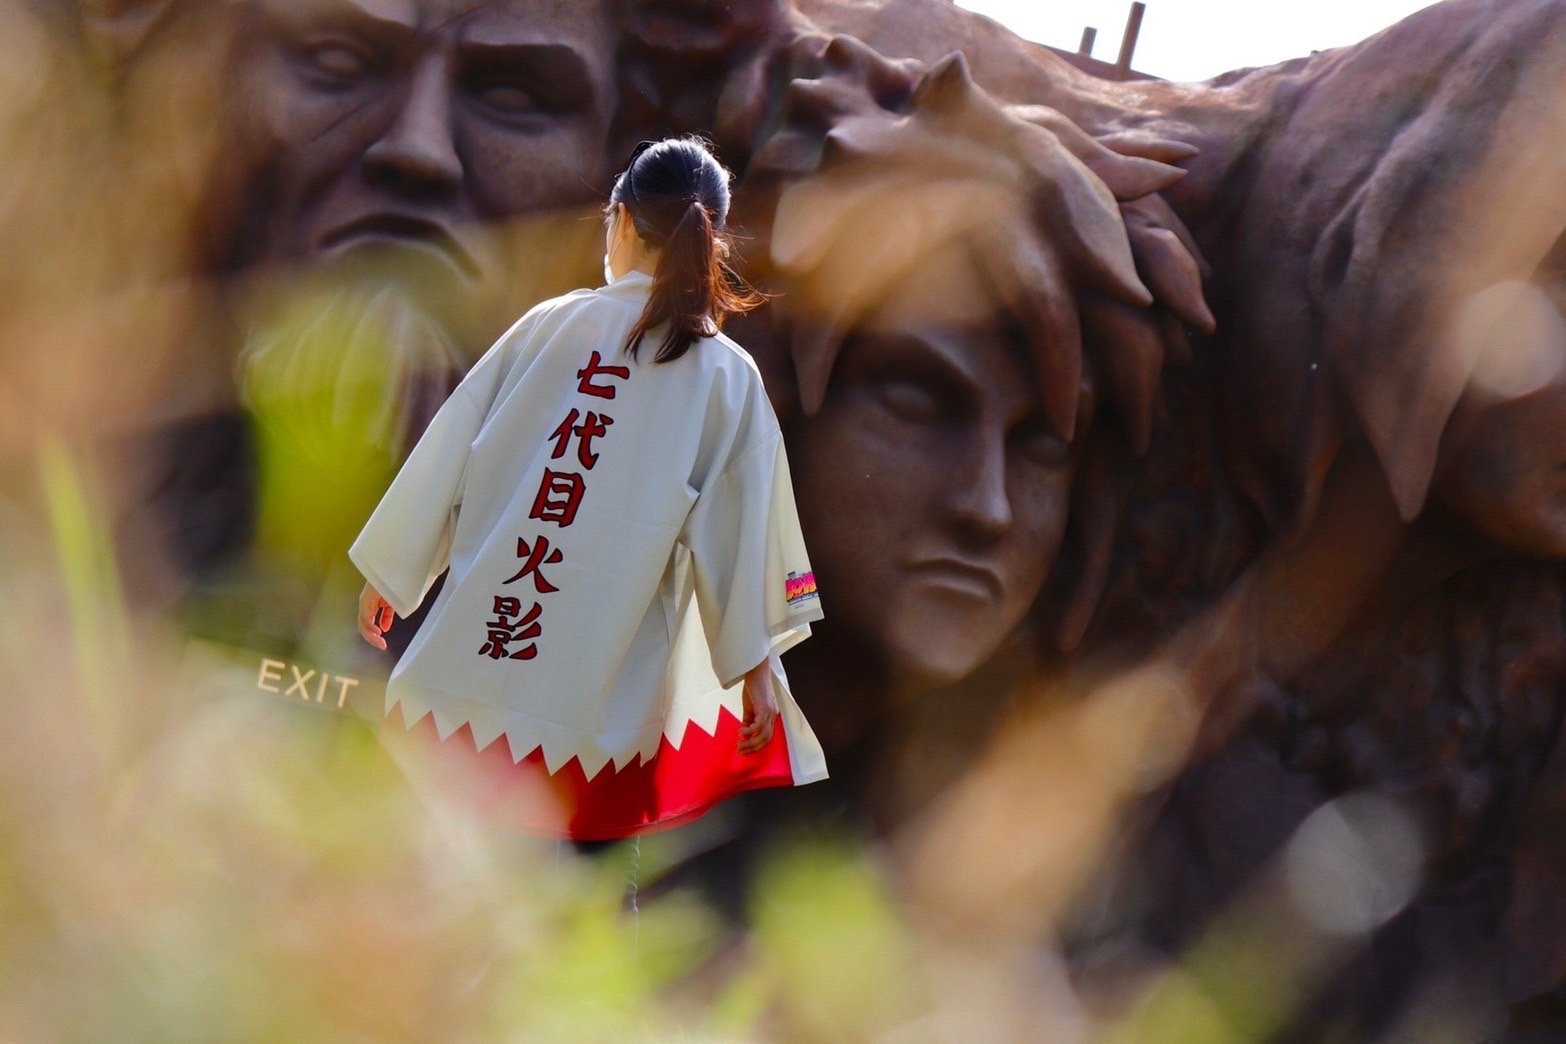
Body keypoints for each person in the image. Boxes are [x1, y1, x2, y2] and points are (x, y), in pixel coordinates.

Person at [349, 138, 827, 840]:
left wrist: (394, 569)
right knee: (576, 920)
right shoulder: (726, 379)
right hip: (591, 726)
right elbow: (741, 532)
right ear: (709, 241)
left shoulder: (549, 326)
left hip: (465, 685)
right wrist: (754, 665)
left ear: (624, 222)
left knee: (428, 890)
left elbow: (451, 452)